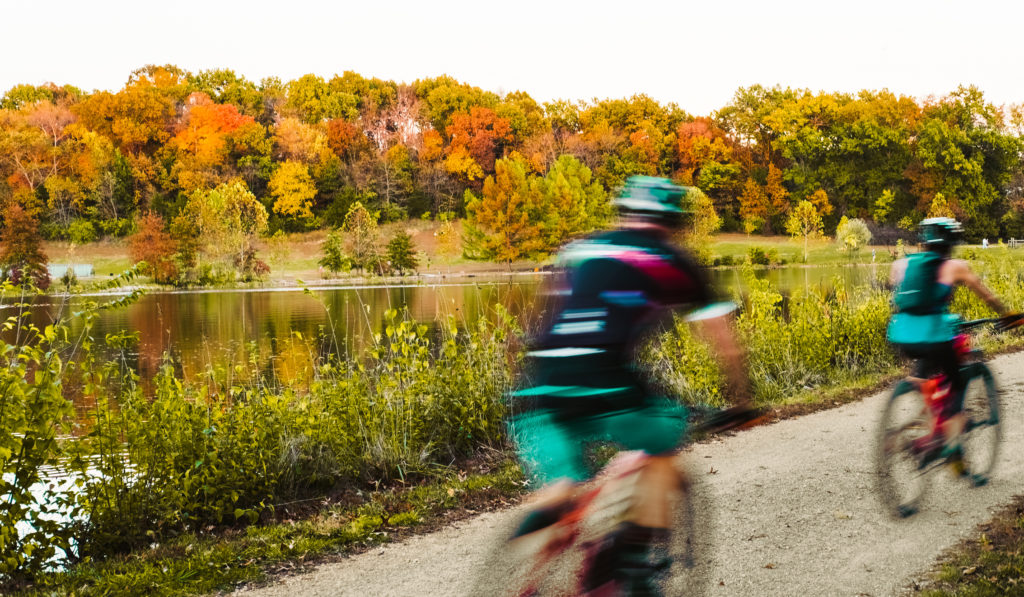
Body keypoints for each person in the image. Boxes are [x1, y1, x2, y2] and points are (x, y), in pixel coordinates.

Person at [506, 176, 754, 594]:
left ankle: (557, 506)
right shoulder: (671, 260)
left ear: (624, 211)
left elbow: (548, 312)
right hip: (606, 380)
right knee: (666, 434)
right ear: (674, 221)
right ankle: (635, 563)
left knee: (563, 484)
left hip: (539, 384)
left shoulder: (580, 249)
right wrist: (740, 401)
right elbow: (724, 342)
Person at [887, 217, 1010, 471]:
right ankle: (950, 446)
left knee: (924, 371)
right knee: (955, 383)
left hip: (901, 335)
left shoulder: (902, 264)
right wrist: (1007, 314)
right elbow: (986, 295)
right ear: (951, 242)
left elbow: (899, 294)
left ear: (924, 241)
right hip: (934, 337)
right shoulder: (955, 266)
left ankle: (918, 404)